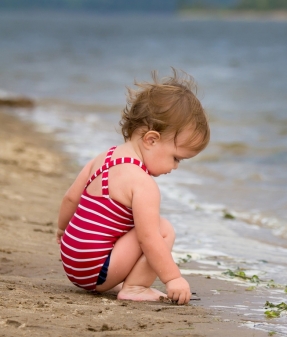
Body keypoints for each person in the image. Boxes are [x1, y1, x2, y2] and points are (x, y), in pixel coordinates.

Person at [56, 69, 210, 305]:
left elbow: (70, 199)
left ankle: (119, 278)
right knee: (162, 228)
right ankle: (136, 287)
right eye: (176, 158)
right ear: (151, 139)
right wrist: (173, 278)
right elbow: (148, 239)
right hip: (95, 272)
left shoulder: (104, 157)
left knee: (132, 227)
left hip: (70, 260)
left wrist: (62, 231)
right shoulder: (142, 183)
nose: (175, 167)